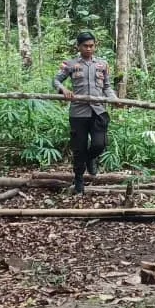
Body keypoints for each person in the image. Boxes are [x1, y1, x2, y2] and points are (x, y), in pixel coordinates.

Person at [53, 30, 115, 194]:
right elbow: (56, 80)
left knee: (99, 144)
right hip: (78, 113)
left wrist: (114, 99)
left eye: (91, 46)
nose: (89, 49)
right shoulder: (70, 64)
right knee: (79, 148)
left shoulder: (102, 64)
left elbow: (107, 86)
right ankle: (79, 180)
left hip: (99, 110)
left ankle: (91, 159)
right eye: (85, 46)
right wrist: (63, 89)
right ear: (78, 46)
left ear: (95, 46)